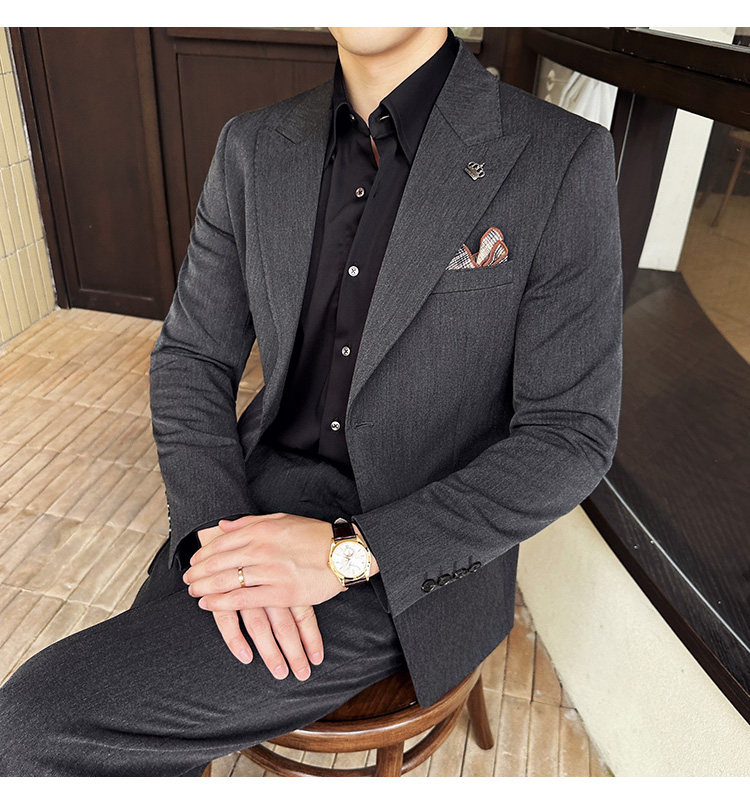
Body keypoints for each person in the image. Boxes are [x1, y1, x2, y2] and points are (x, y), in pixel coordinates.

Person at [0, 26, 622, 776]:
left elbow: (570, 437)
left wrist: (350, 552)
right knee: (81, 729)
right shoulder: (252, 146)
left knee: (30, 725)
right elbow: (193, 356)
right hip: (246, 505)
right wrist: (213, 530)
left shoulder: (561, 157)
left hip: (411, 551)